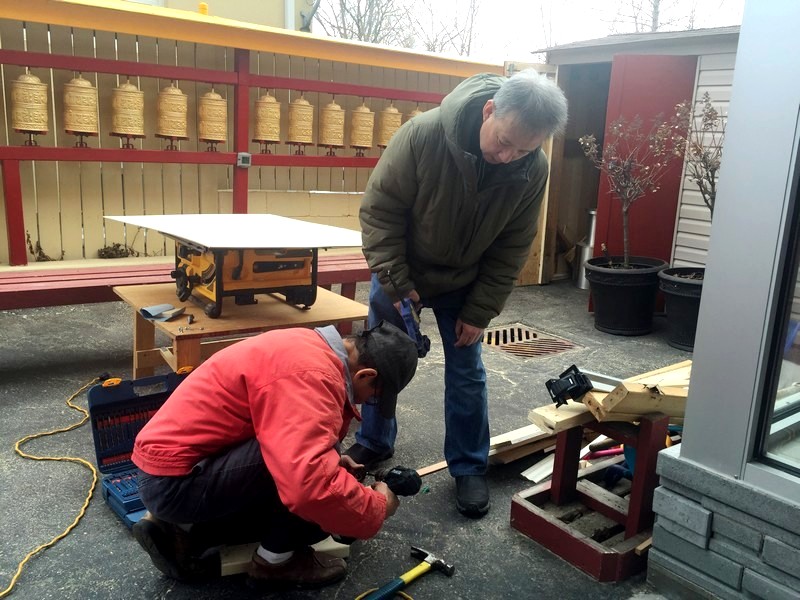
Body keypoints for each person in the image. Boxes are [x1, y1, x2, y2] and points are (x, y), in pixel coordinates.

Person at [347, 69, 568, 519]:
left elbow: (512, 247)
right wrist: (397, 283)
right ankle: (374, 440)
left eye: (523, 150)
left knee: (467, 372)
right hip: (402, 271)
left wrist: (481, 310)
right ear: (489, 111)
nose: (508, 157)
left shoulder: (533, 168)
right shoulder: (423, 136)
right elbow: (381, 211)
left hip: (466, 281)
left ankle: (468, 464)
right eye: (504, 142)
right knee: (379, 363)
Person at [130, 321, 418, 589]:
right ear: (365, 375)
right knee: (312, 492)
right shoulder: (313, 375)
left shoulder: (308, 346)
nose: (366, 402)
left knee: (307, 460)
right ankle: (274, 563)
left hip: (174, 470)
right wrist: (378, 506)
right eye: (373, 397)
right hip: (174, 485)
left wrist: (332, 459)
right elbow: (310, 486)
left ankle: (186, 531)